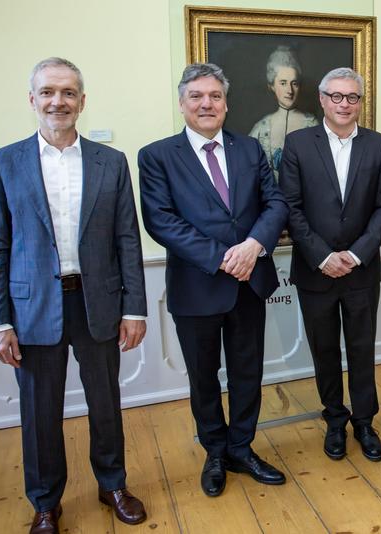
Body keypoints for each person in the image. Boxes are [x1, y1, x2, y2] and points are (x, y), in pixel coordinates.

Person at [0, 57, 148, 534]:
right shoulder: (4, 161)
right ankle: (45, 502)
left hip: (98, 303)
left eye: (69, 93)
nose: (59, 101)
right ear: (32, 99)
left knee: (105, 401)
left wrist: (134, 307)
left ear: (82, 101)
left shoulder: (110, 162)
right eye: (49, 92)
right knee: (39, 413)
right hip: (31, 308)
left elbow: (127, 241)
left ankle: (112, 483)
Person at [138, 63, 289, 498]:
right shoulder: (156, 156)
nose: (207, 104)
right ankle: (216, 453)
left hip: (250, 284)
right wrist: (225, 258)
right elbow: (161, 221)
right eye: (197, 97)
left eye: (215, 96)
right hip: (197, 286)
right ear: (182, 103)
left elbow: (274, 203)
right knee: (203, 378)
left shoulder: (249, 150)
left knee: (247, 373)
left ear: (226, 103)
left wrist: (254, 246)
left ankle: (242, 448)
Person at [279, 67, 381, 462]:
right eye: (337, 96)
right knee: (324, 350)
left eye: (352, 97)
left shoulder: (378, 145)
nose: (345, 104)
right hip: (316, 270)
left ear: (361, 102)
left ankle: (364, 421)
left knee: (361, 349)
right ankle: (334, 419)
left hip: (362, 271)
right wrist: (324, 256)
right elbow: (290, 207)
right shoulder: (297, 143)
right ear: (323, 99)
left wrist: (356, 254)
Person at [249, 46, 319, 180]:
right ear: (272, 86)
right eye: (283, 83)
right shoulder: (261, 127)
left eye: (294, 83)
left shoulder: (311, 123)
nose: (290, 90)